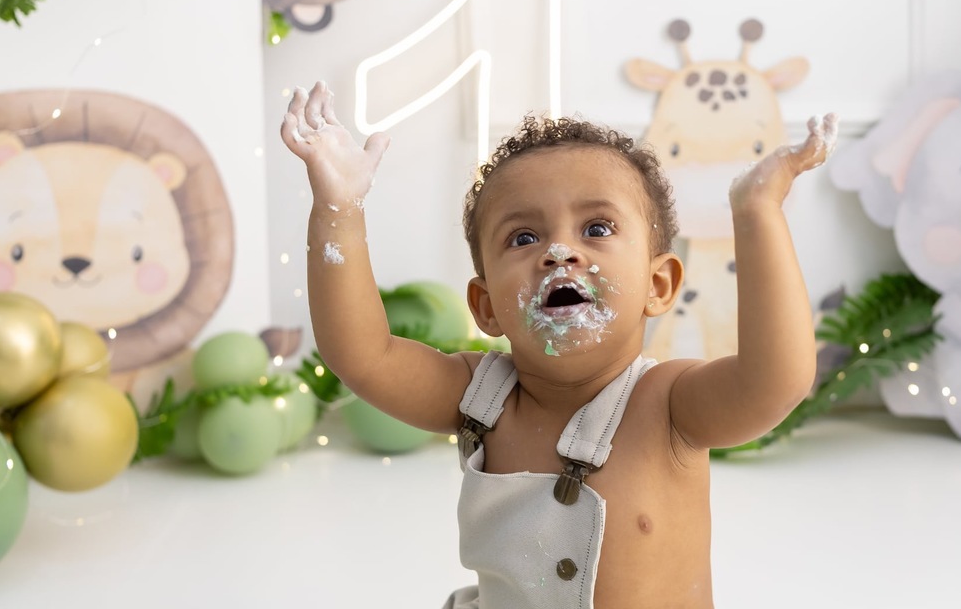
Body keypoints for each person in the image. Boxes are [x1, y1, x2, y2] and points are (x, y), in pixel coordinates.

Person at [281, 80, 838, 609]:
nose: (559, 251)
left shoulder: (670, 406)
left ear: (658, 284)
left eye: (596, 228)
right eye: (524, 237)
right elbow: (362, 354)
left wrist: (757, 210)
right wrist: (339, 208)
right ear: (487, 307)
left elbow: (778, 380)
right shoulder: (477, 398)